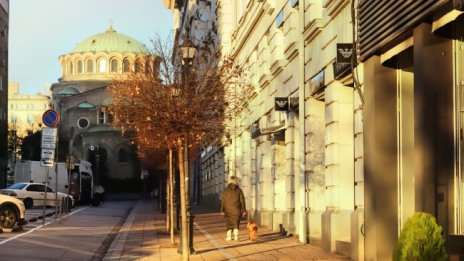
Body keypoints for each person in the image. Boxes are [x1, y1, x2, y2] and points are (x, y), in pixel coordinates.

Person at [220, 176, 246, 240]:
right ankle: (236, 236)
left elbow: (223, 201)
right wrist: (244, 210)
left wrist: (222, 210)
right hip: (236, 209)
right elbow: (242, 201)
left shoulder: (225, 190)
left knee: (229, 223)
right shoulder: (239, 190)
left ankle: (229, 236)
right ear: (236, 181)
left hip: (227, 209)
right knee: (236, 222)